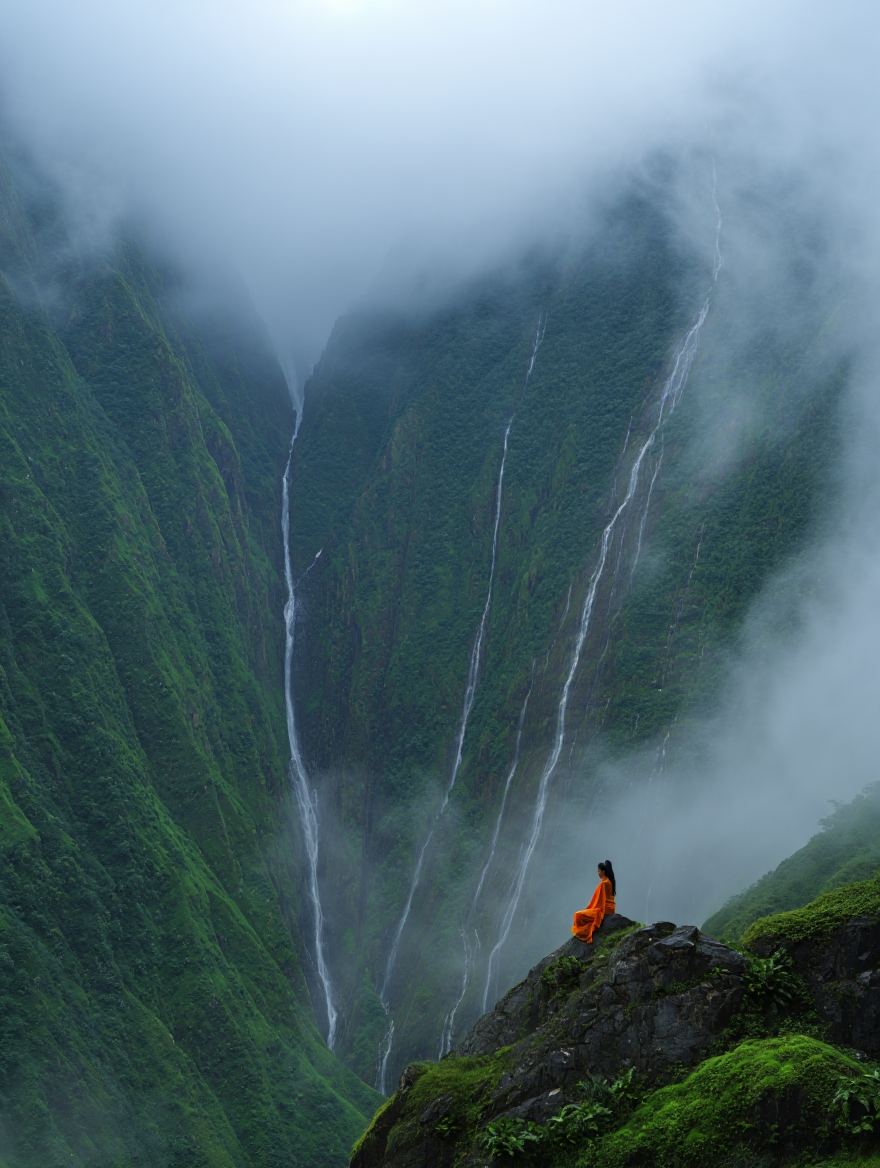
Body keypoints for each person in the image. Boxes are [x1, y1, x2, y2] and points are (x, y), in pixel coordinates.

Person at [571, 861, 616, 943]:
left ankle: (583, 933)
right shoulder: (607, 882)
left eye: (599, 871)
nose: (598, 873)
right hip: (609, 908)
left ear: (603, 871)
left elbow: (600, 902)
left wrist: (592, 910)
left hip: (605, 909)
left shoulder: (605, 883)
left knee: (578, 915)